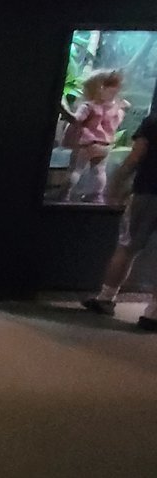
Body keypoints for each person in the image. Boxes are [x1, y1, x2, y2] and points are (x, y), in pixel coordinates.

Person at [82, 110, 157, 331]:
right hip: (147, 192)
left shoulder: (153, 122)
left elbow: (135, 156)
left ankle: (106, 297)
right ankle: (153, 313)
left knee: (127, 246)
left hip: (146, 192)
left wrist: (115, 184)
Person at [63, 70, 127, 202]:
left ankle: (64, 194)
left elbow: (76, 119)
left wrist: (63, 109)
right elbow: (117, 123)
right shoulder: (117, 110)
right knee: (99, 171)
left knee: (76, 169)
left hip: (87, 143)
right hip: (105, 145)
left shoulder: (88, 106)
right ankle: (96, 196)